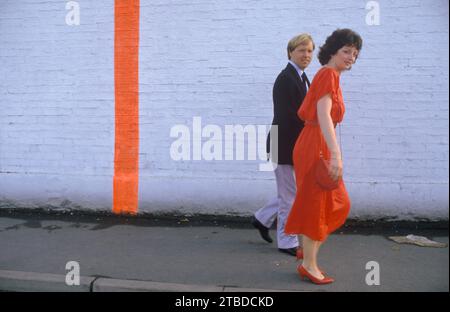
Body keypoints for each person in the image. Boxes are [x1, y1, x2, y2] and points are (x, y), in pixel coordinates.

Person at [285, 28, 363, 284]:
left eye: (355, 53)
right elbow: (323, 116)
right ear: (332, 51)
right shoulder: (328, 74)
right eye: (346, 51)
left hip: (317, 143)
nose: (351, 57)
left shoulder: (331, 76)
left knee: (333, 203)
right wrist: (336, 156)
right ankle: (309, 263)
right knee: (318, 204)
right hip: (315, 145)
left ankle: (308, 253)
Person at [252, 34, 314, 256]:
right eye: (301, 50)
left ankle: (261, 218)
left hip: (290, 143)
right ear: (290, 52)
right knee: (290, 196)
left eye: (309, 51)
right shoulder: (285, 78)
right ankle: (287, 242)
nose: (306, 55)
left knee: (288, 192)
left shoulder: (301, 77)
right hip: (283, 143)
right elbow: (290, 117)